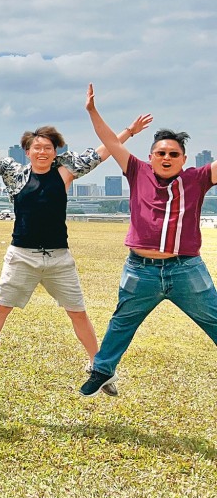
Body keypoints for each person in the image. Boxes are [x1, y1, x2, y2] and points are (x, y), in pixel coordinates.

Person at [0, 97, 151, 390]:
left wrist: (129, 131)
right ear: (28, 151)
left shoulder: (64, 172)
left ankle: (98, 367)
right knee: (1, 307)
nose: (42, 151)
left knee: (78, 312)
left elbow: (101, 153)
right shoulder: (15, 174)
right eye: (37, 147)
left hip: (59, 257)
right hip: (21, 256)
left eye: (48, 147)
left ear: (55, 151)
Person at [81, 85, 217, 396]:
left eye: (173, 154)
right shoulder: (136, 171)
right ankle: (102, 370)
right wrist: (91, 111)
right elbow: (110, 142)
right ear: (151, 156)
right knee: (122, 322)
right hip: (140, 270)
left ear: (183, 159)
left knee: (214, 318)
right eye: (161, 153)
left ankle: (102, 368)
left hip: (185, 270)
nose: (166, 158)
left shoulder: (197, 178)